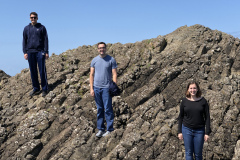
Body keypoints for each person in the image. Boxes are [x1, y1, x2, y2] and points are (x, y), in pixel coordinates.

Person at [90, 42, 117, 137]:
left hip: (106, 88)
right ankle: (101, 129)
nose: (102, 49)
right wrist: (91, 88)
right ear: (98, 49)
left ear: (106, 48)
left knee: (108, 109)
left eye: (103, 48)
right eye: (100, 48)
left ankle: (109, 129)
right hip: (96, 88)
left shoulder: (111, 60)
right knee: (100, 109)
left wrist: (113, 86)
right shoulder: (94, 60)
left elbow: (114, 74)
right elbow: (91, 74)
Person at [178, 81, 211, 160]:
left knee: (198, 154)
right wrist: (179, 132)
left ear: (197, 89)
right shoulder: (184, 101)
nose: (193, 90)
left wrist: (207, 132)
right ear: (188, 89)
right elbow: (180, 117)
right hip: (186, 129)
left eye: (194, 88)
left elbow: (207, 117)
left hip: (199, 131)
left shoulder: (203, 101)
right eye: (191, 88)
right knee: (188, 153)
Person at [23, 12, 49, 97]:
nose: (33, 19)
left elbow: (46, 40)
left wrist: (46, 52)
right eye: (31, 17)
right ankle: (36, 88)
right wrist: (25, 52)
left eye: (34, 17)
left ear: (37, 18)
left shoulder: (42, 27)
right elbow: (24, 41)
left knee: (42, 71)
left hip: (40, 51)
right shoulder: (26, 28)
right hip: (30, 52)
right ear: (29, 18)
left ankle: (45, 88)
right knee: (33, 71)